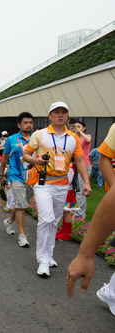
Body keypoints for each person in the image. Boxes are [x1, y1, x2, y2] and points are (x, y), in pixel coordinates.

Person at [23, 102, 91, 277]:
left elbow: (80, 160)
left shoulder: (73, 138)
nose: (60, 115)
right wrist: (38, 161)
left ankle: (48, 255)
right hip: (43, 182)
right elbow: (26, 155)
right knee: (46, 218)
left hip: (62, 184)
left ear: (67, 116)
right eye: (56, 112)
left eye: (63, 112)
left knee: (54, 221)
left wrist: (86, 182)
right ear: (50, 116)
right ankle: (43, 261)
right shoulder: (40, 135)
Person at [66, 122, 115, 314]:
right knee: (62, 208)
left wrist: (87, 180)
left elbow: (83, 155)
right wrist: (86, 253)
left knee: (75, 200)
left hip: (79, 169)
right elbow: (103, 159)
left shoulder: (82, 138)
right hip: (61, 175)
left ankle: (110, 291)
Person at [0, 112, 34, 247]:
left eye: (30, 122)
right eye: (25, 122)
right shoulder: (12, 140)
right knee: (21, 205)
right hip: (15, 176)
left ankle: (9, 221)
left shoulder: (36, 139)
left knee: (21, 203)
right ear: (19, 125)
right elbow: (4, 158)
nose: (28, 125)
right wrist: (2, 175)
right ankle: (22, 235)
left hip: (31, 177)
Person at [70, 120, 91, 219]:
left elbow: (87, 140)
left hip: (84, 166)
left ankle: (80, 213)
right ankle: (75, 210)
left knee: (81, 190)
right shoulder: (74, 138)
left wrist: (79, 132)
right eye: (76, 126)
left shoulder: (87, 136)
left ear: (84, 128)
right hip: (74, 166)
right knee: (73, 189)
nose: (77, 128)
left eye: (79, 126)